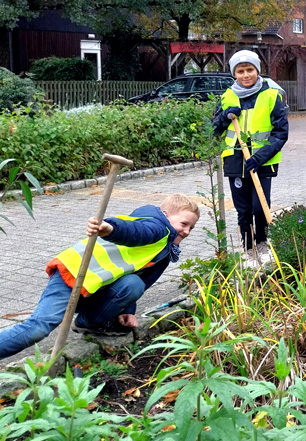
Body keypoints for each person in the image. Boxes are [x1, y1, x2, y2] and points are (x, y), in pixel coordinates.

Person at [0, 194, 200, 360]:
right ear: (166, 215)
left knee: (134, 284)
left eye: (191, 227)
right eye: (183, 223)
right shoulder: (158, 228)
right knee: (39, 328)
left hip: (96, 286)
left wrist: (128, 310)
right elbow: (136, 232)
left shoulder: (165, 248)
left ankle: (88, 322)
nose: (187, 231)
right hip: (73, 275)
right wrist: (110, 229)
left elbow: (137, 274)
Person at [213, 50, 289, 260]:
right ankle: (248, 248)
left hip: (262, 161)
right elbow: (215, 129)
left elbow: (281, 133)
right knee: (243, 209)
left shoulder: (272, 95)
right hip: (235, 161)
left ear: (257, 70)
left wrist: (260, 157)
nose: (245, 75)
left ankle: (262, 243)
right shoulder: (227, 97)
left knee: (259, 206)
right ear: (234, 74)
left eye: (250, 70)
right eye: (240, 71)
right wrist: (225, 116)